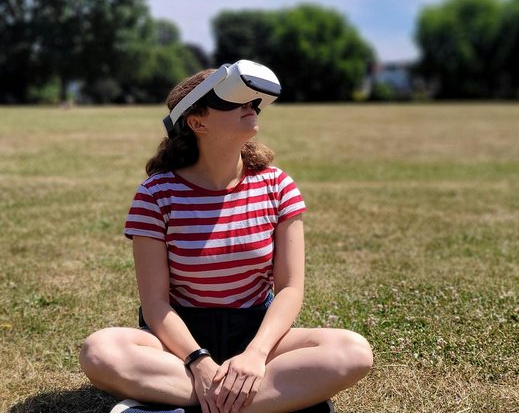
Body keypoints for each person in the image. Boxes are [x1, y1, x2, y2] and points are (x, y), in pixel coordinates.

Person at [80, 61, 373, 413]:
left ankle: (185, 402)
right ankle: (260, 400)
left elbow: (291, 289)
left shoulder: (278, 186)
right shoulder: (156, 193)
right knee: (99, 351)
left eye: (253, 102)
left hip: (255, 331)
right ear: (197, 122)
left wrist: (256, 354)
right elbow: (156, 305)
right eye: (234, 102)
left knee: (352, 351)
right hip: (179, 343)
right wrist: (199, 362)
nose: (250, 107)